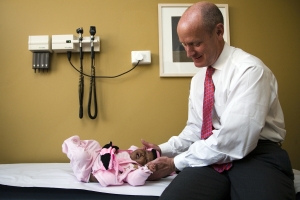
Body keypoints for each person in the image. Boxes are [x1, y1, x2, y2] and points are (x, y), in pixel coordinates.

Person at [142, 1, 295, 199]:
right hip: (210, 155)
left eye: (196, 43)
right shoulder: (199, 80)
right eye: (184, 44)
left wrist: (175, 163)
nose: (189, 53)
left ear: (219, 31)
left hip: (257, 154)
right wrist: (161, 150)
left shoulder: (250, 71)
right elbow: (197, 130)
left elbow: (236, 140)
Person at [62, 135, 159, 187]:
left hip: (89, 171)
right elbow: (136, 149)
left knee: (82, 156)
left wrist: (145, 171)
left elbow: (134, 180)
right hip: (97, 156)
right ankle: (76, 148)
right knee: (95, 143)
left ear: (143, 165)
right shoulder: (131, 151)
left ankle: (69, 145)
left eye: (145, 159)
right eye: (145, 152)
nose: (142, 154)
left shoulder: (132, 169)